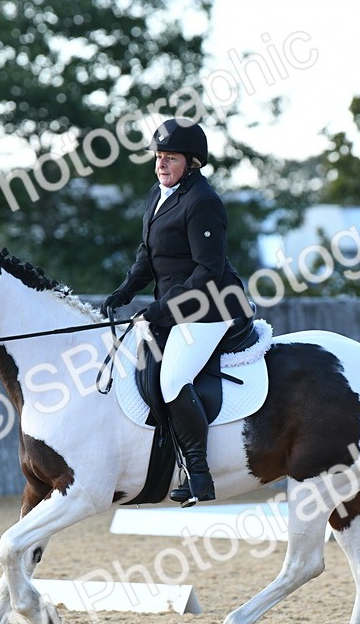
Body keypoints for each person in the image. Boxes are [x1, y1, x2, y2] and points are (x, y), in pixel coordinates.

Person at [102, 118, 252, 506]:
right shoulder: (158, 194)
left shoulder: (203, 202)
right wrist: (126, 289)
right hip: (173, 307)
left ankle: (199, 475)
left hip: (212, 306)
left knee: (172, 380)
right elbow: (148, 254)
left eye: (170, 158)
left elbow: (208, 270)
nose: (161, 165)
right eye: (158, 157)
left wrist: (163, 309)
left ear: (192, 162)